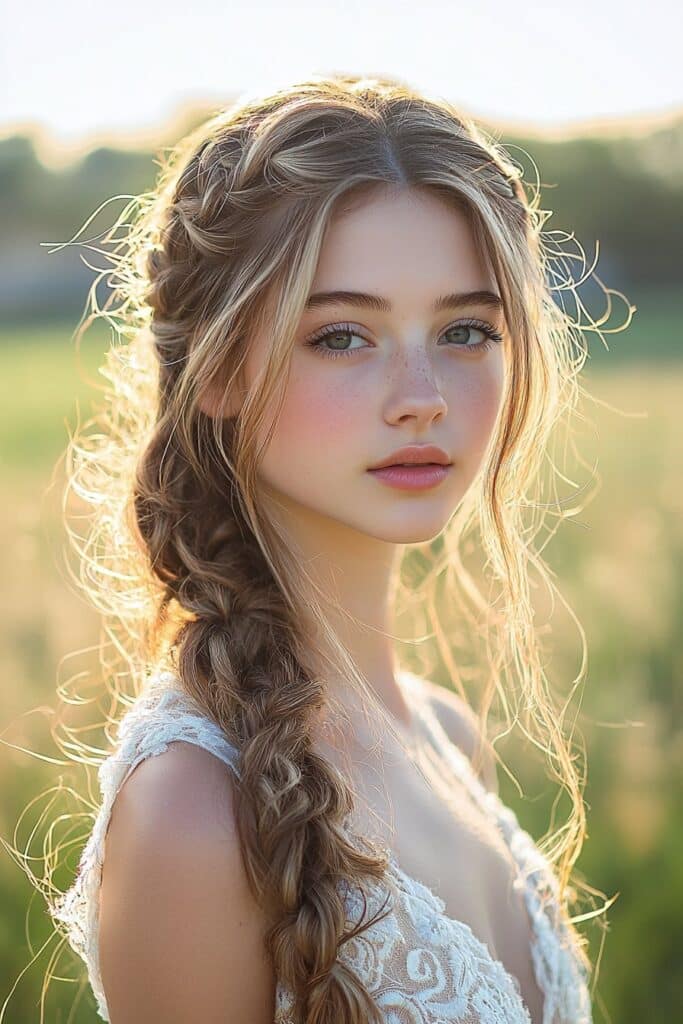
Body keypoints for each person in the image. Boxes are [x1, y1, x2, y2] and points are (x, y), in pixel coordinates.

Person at [44, 73, 606, 1023]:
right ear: (218, 369)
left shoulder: (451, 738)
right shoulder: (192, 810)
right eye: (343, 336)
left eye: (466, 330)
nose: (422, 394)